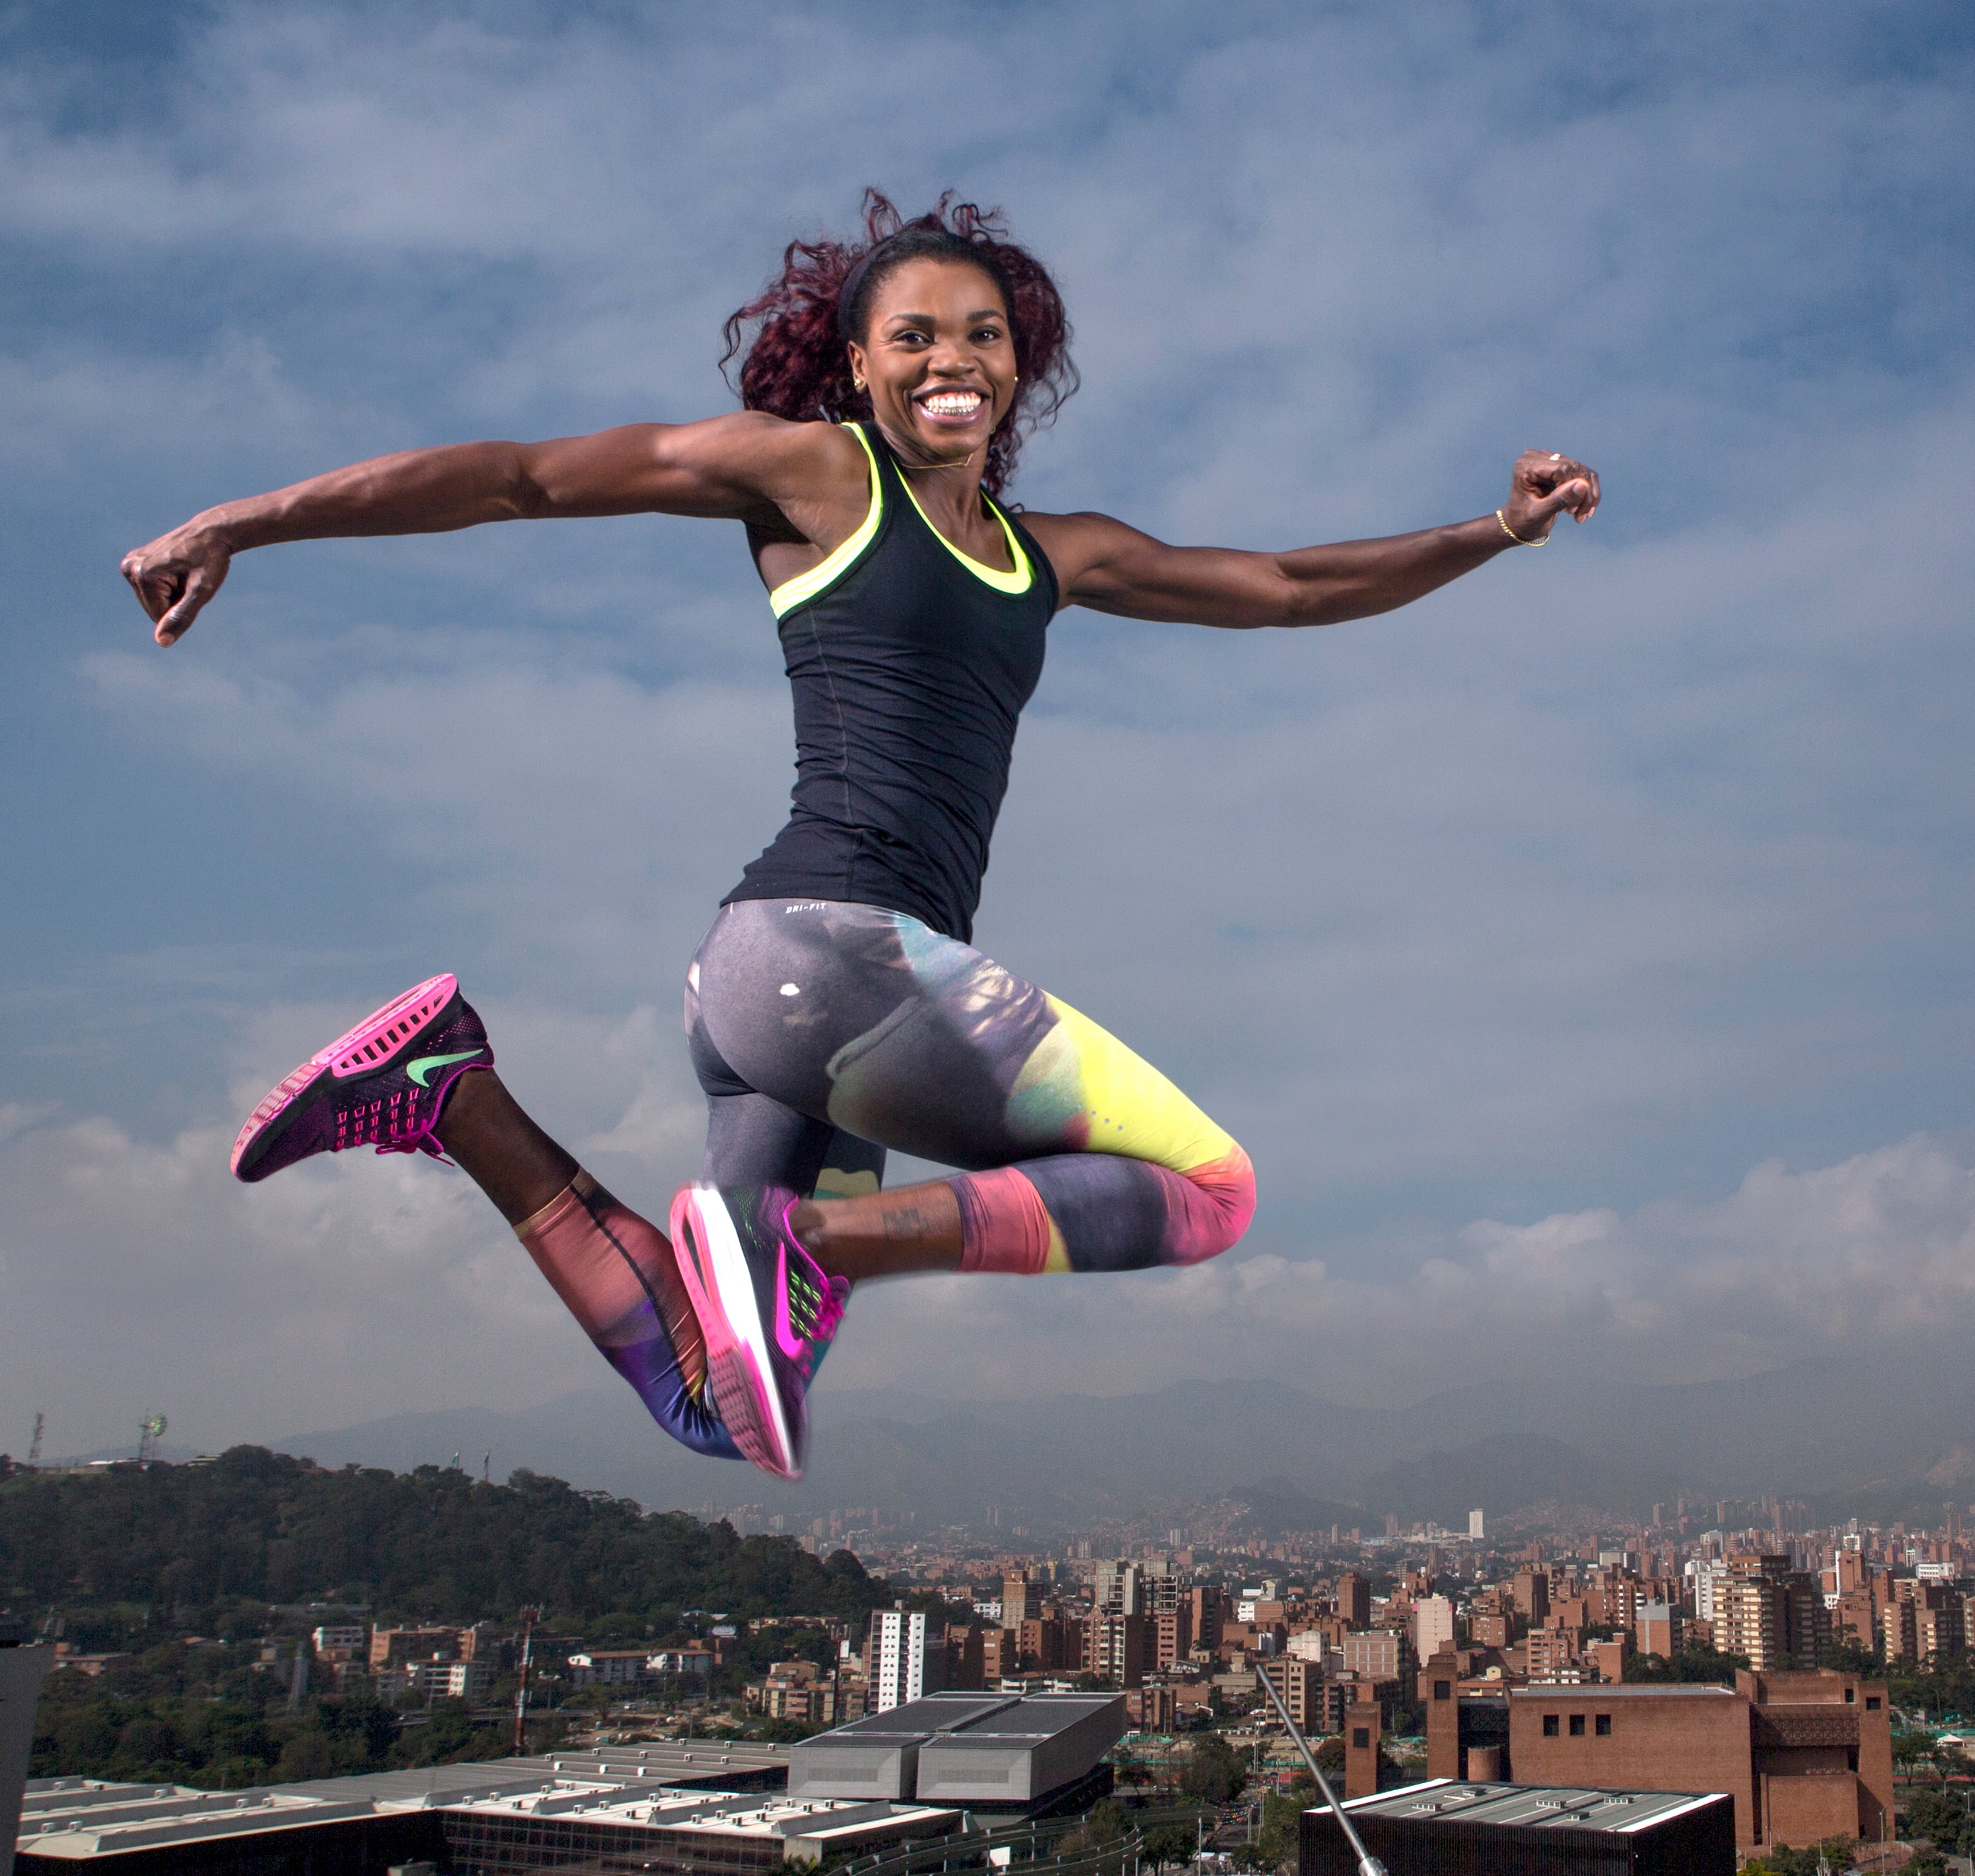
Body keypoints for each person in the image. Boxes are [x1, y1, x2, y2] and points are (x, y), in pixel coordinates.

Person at [120, 192, 1599, 1479]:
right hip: (828, 961)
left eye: (984, 333)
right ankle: (818, 1255)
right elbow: (520, 477)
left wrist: (1496, 530)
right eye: (913, 336)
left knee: (727, 1407)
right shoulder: (820, 474)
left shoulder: (1054, 553)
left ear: (1020, 366)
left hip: (781, 1014)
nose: (952, 356)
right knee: (1212, 1190)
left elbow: (1283, 580)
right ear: (858, 366)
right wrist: (244, 520)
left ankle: (451, 1092)